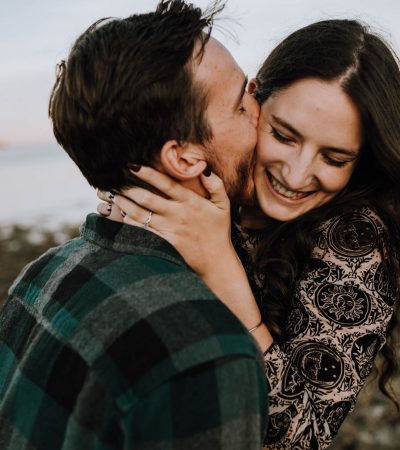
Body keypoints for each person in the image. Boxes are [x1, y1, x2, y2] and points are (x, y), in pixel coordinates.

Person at [101, 19, 400, 449]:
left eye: (335, 158)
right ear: (253, 102)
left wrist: (221, 270)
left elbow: (302, 440)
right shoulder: (203, 175)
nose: (297, 174)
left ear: (361, 161)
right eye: (284, 136)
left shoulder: (356, 245)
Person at [0, 2, 269, 449]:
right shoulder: (211, 353)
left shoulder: (42, 274)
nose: (261, 110)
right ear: (183, 158)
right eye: (243, 102)